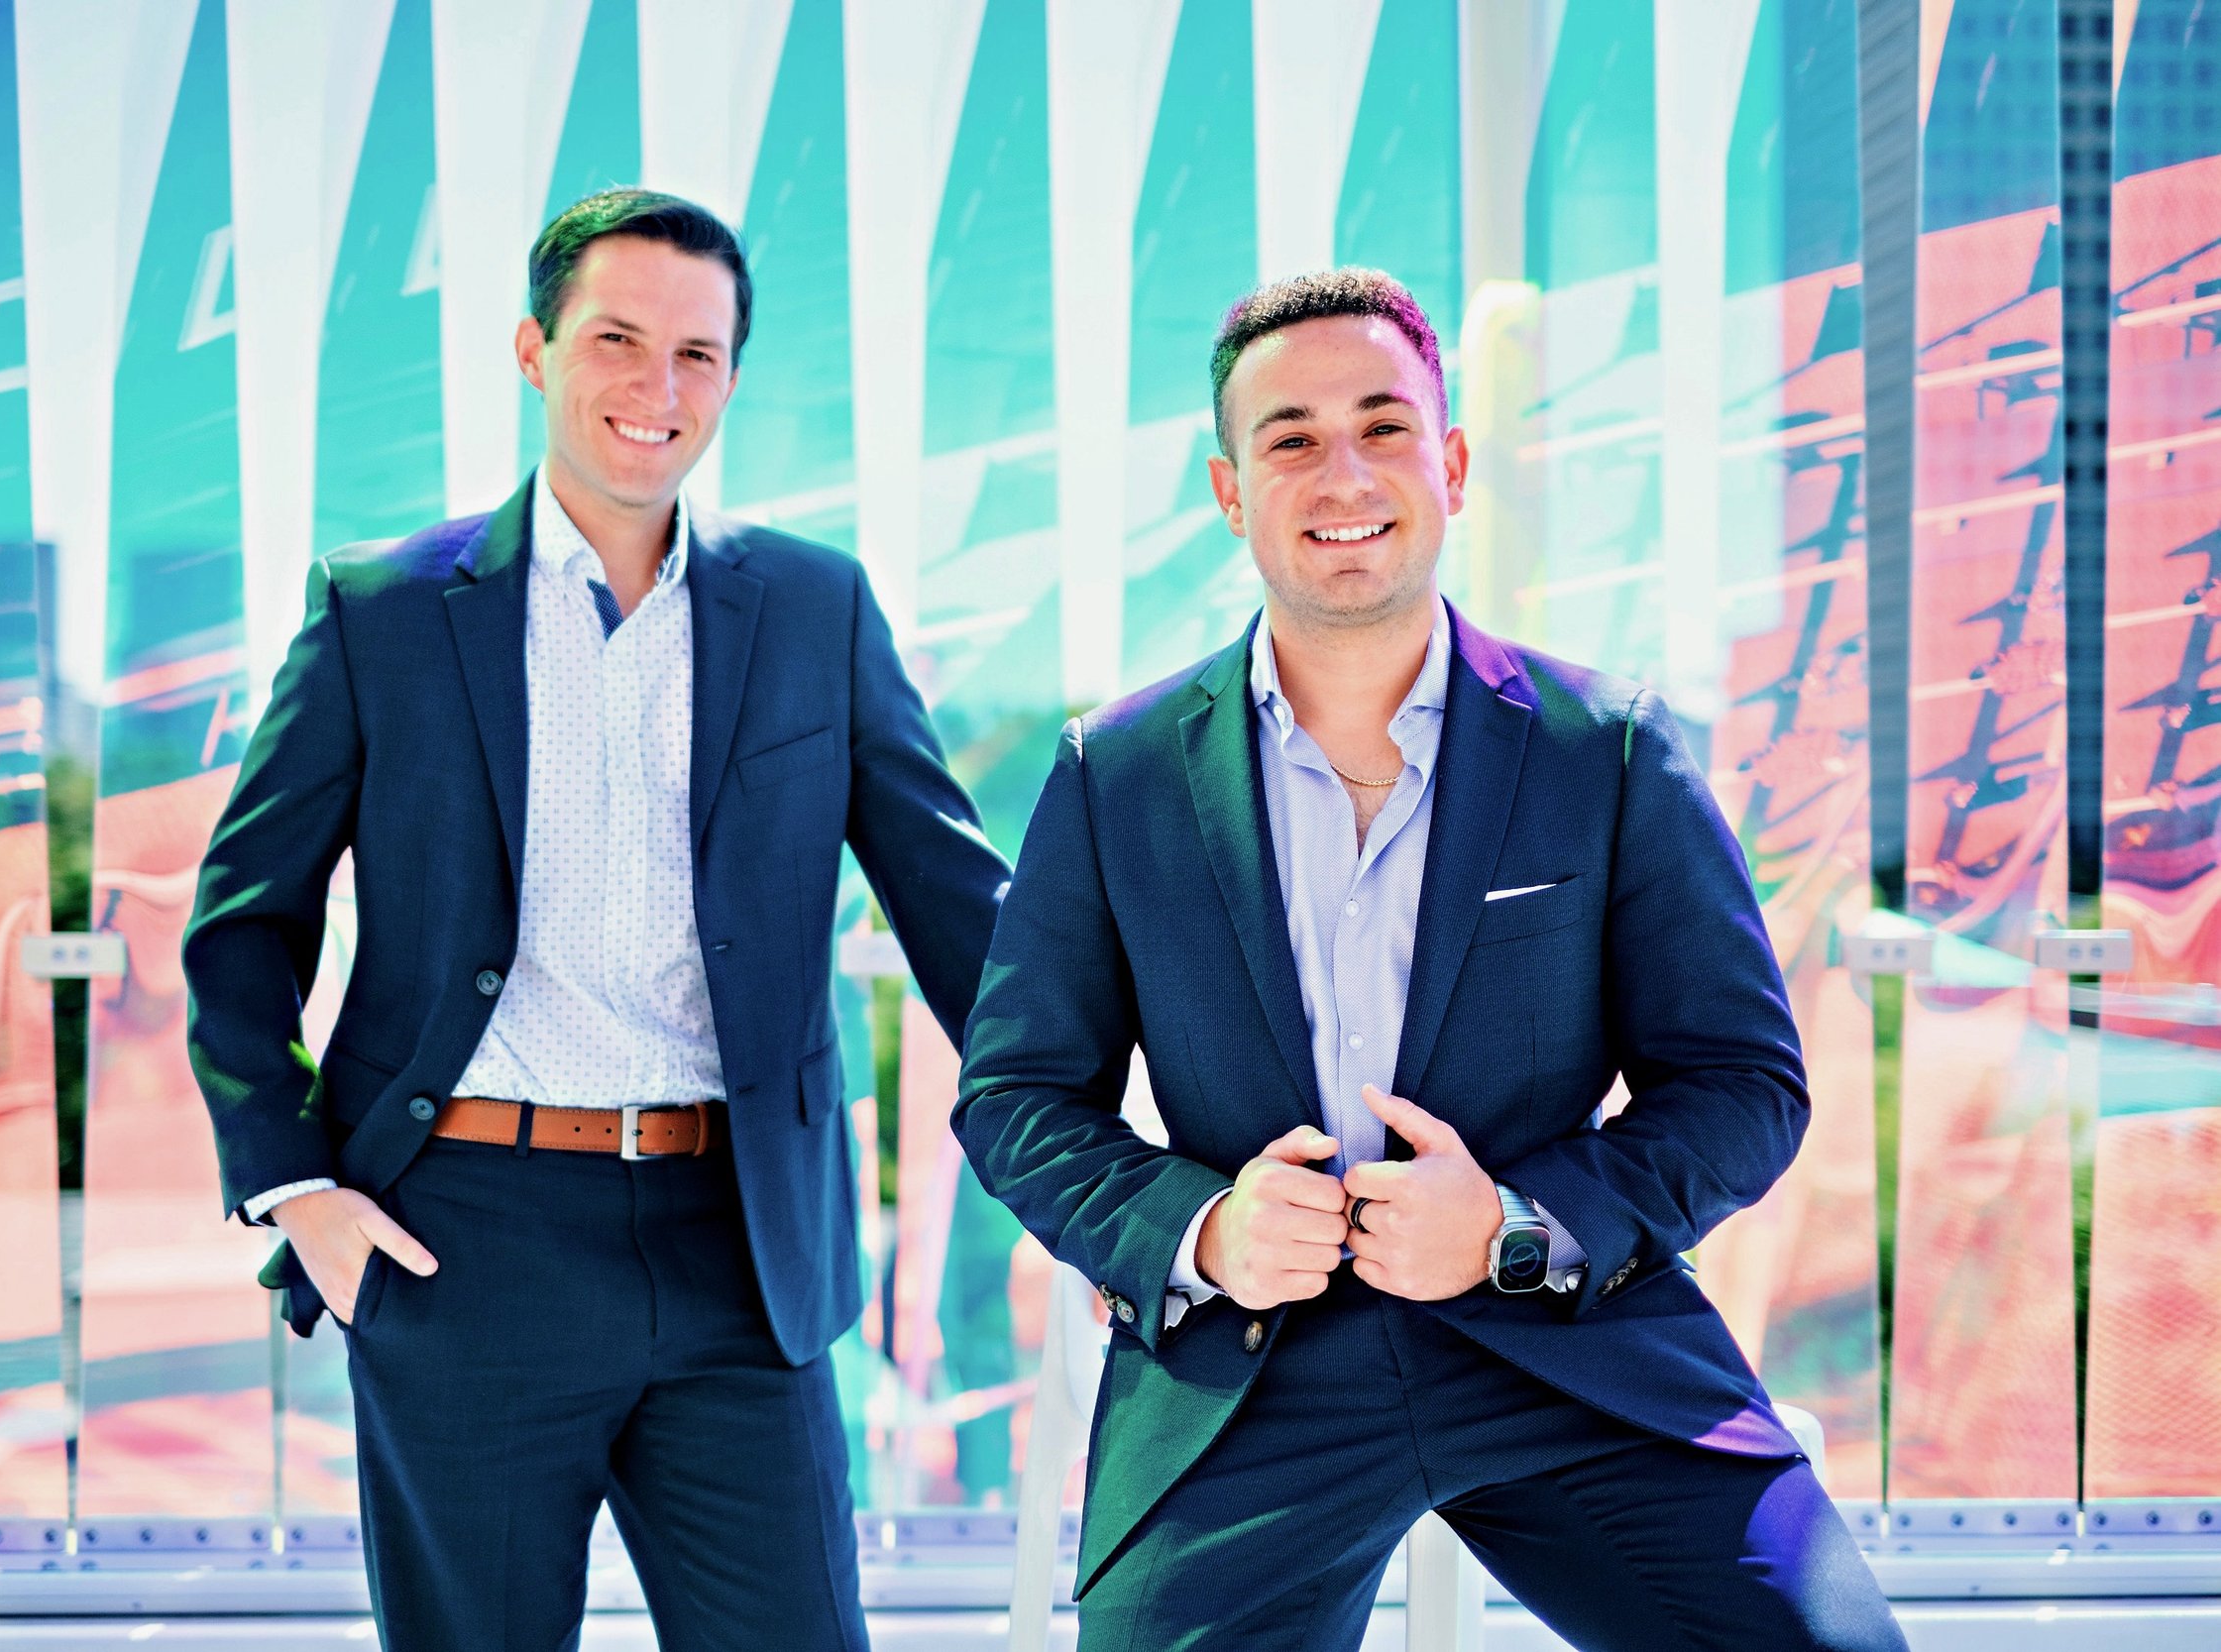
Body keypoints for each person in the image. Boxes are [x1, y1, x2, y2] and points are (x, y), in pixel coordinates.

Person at [951, 268, 1905, 1652]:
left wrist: (1516, 1225)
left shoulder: (1606, 749)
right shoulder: (1121, 774)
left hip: (1564, 1341)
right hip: (1254, 1370)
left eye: (1383, 427)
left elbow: (1742, 1085)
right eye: (1290, 438)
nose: (1343, 472)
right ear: (1230, 493)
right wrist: (1204, 1231)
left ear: (1450, 465)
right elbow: (1018, 1097)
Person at [182, 188, 1008, 1652]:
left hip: (742, 1243)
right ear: (535, 350)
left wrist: (1134, 1131)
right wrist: (296, 1190)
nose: (657, 386)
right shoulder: (382, 611)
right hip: (461, 1238)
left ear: (732, 381)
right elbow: (245, 926)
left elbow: (960, 909)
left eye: (697, 354)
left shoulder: (814, 608)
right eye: (617, 339)